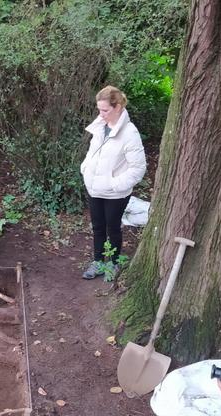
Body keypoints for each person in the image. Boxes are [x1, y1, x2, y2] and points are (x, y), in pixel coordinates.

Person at [79, 85, 146, 280]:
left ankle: (114, 264)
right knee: (98, 227)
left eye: (105, 110)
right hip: (94, 188)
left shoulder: (130, 134)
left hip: (115, 193)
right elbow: (93, 153)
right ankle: (98, 261)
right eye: (99, 109)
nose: (101, 114)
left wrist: (115, 185)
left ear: (118, 107)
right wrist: (85, 169)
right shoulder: (101, 125)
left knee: (112, 227)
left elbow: (138, 169)